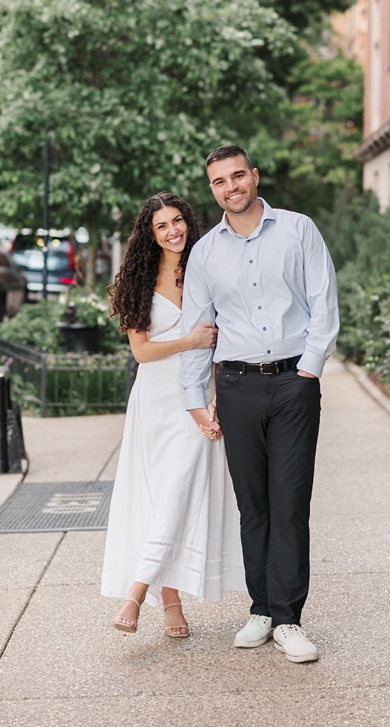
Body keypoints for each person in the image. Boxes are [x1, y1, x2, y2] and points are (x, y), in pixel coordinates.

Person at [180, 144, 338, 664]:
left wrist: (309, 370)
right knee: (253, 507)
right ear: (213, 190)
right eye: (220, 181)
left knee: (289, 503)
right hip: (236, 387)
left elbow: (323, 302)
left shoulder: (298, 229)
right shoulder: (204, 252)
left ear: (254, 175)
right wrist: (195, 397)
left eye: (238, 175)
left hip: (293, 381)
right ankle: (262, 609)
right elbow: (198, 329)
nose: (231, 187)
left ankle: (289, 619)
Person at [101, 192, 244, 638]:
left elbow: (227, 335)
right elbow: (142, 352)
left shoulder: (207, 267)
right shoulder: (137, 282)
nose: (173, 231)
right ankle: (171, 602)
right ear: (151, 233)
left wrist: (219, 393)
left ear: (188, 222)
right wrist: (189, 341)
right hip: (154, 401)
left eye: (178, 221)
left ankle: (136, 592)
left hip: (197, 396)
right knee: (160, 494)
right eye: (162, 226)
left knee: (180, 484)